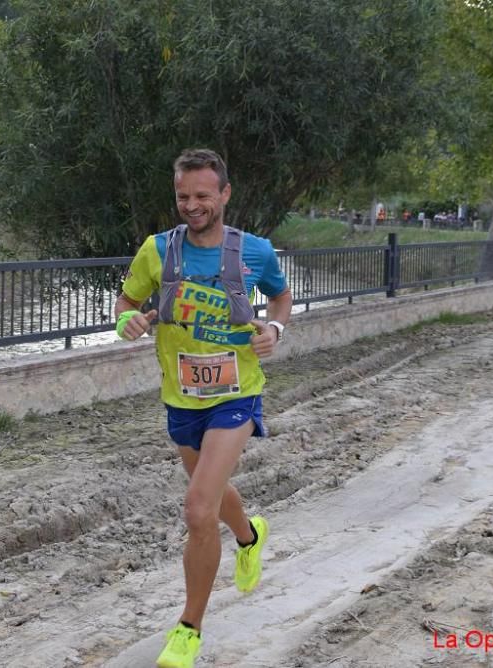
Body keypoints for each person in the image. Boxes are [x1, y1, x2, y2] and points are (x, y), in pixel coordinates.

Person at [114, 148, 293, 668]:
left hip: (237, 394)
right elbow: (127, 304)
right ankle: (249, 535)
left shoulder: (254, 251)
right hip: (181, 398)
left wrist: (275, 330)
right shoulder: (157, 251)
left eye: (202, 196)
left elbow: (280, 299)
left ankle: (189, 629)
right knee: (210, 493)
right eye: (183, 197)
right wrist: (127, 322)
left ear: (224, 195)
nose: (192, 206)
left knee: (197, 508)